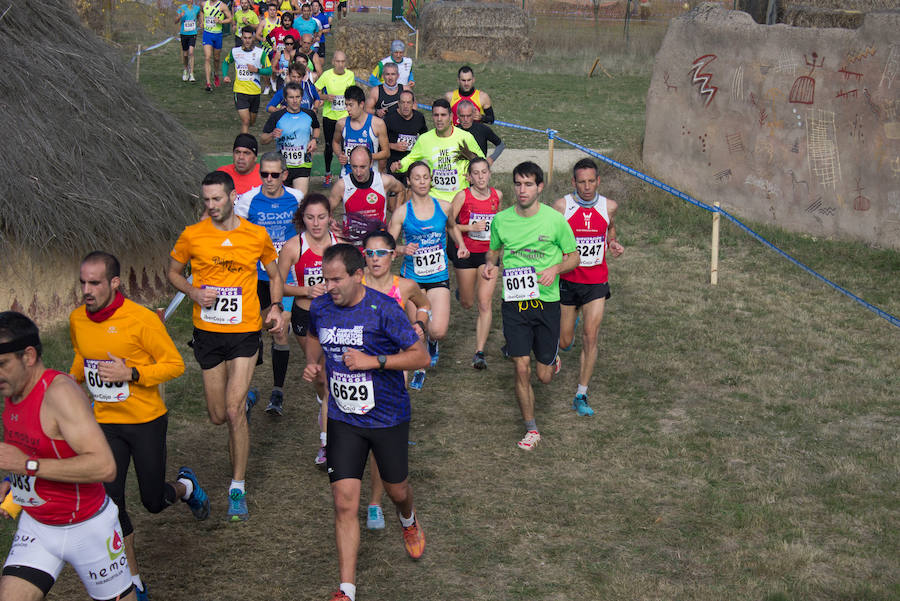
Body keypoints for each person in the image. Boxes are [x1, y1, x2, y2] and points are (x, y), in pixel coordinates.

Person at [69, 252, 210, 601]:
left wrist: (131, 373)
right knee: (111, 505)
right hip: (104, 423)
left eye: (95, 283)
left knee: (151, 501)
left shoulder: (141, 319)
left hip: (146, 421)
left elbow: (174, 365)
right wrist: (68, 385)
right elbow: (81, 357)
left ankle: (185, 487)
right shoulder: (77, 319)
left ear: (115, 283)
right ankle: (132, 580)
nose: (87, 290)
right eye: (83, 282)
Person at [302, 244, 430, 601]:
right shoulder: (322, 307)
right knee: (344, 502)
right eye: (325, 279)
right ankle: (347, 590)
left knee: (397, 490)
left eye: (337, 279)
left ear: (358, 275)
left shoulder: (383, 310)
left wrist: (372, 361)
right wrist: (314, 363)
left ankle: (408, 519)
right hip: (343, 417)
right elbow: (314, 337)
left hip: (387, 417)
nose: (329, 286)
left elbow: (421, 357)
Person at [167, 171, 287, 521]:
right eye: (206, 200)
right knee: (219, 416)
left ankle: (237, 487)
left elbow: (275, 273)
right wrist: (192, 292)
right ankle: (245, 402)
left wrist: (276, 307)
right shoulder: (192, 236)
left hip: (245, 331)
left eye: (217, 199)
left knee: (232, 413)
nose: (211, 206)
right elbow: (173, 272)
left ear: (232, 196)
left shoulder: (255, 234)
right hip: (207, 333)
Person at [0, 311, 137, 601]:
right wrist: (13, 484)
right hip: (37, 527)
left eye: (2, 364)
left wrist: (24, 465)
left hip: (89, 529)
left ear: (28, 356)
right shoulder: (13, 393)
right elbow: (38, 452)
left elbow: (104, 466)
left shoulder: (60, 394)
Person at [483, 162, 578, 450]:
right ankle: (532, 429)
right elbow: (494, 251)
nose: (521, 190)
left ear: (539, 187)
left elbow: (574, 257)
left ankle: (552, 360)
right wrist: (490, 266)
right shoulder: (501, 220)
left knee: (543, 376)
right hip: (514, 304)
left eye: (528, 184)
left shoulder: (555, 220)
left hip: (546, 303)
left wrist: (556, 269)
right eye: (517, 184)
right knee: (521, 368)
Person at [360, 230, 430, 529]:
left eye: (381, 253)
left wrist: (419, 324)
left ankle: (375, 502)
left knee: (380, 432)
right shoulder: (355, 282)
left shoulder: (405, 285)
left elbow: (424, 303)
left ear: (393, 255)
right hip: (356, 364)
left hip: (392, 364)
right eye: (370, 253)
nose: (375, 259)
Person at [553, 159, 625, 417]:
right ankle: (562, 338)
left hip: (596, 282)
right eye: (581, 181)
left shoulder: (610, 206)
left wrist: (613, 242)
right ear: (573, 182)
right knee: (564, 341)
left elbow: (610, 228)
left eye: (591, 181)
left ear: (598, 181)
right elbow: (552, 237)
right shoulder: (562, 207)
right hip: (568, 281)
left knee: (591, 335)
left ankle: (581, 393)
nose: (586, 186)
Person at [234, 152, 304, 416]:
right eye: (265, 174)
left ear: (284, 175)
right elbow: (235, 232)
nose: (270, 179)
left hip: (286, 276)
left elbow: (307, 227)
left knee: (279, 330)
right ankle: (248, 392)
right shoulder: (248, 200)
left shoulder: (295, 198)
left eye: (275, 174)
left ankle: (278, 391)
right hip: (257, 278)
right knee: (255, 330)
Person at [388, 161, 467, 380]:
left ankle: (433, 343)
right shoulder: (402, 213)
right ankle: (420, 367)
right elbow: (387, 245)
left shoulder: (444, 206)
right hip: (412, 278)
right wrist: (403, 248)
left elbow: (451, 227)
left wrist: (461, 245)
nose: (422, 182)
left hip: (438, 275)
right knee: (417, 329)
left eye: (425, 177)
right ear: (409, 181)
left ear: (430, 179)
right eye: (417, 178)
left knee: (438, 330)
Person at [277, 194, 337, 462]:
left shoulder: (339, 246)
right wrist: (306, 290)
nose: (316, 223)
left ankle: (326, 443)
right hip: (305, 316)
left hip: (336, 318)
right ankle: (323, 400)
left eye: (321, 217)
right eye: (310, 217)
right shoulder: (293, 247)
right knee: (321, 377)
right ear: (303, 218)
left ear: (329, 217)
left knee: (328, 374)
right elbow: (277, 285)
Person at [450, 157, 501, 370]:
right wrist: (470, 228)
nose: (480, 177)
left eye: (484, 172)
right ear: (469, 177)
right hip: (466, 253)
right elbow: (449, 225)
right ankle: (462, 292)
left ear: (489, 173)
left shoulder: (497, 195)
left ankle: (479, 352)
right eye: (476, 173)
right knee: (468, 303)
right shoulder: (463, 196)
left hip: (488, 256)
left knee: (484, 303)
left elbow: (498, 224)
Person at [391, 98, 484, 203]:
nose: (439, 119)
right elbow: (411, 158)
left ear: (451, 117)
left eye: (443, 115)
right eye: (436, 115)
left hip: (460, 198)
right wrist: (399, 166)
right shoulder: (424, 139)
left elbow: (481, 161)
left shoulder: (465, 137)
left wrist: (473, 174)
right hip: (434, 199)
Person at [329, 146, 404, 245]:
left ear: (371, 163)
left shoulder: (384, 181)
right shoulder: (342, 185)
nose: (358, 172)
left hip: (377, 244)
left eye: (362, 167)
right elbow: (325, 210)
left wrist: (395, 217)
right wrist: (331, 222)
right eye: (354, 167)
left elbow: (401, 190)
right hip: (352, 246)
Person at [261, 82, 320, 193]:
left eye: (297, 97)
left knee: (299, 199)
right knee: (283, 200)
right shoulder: (277, 116)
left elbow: (316, 128)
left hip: (303, 163)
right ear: (286, 99)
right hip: (282, 165)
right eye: (291, 97)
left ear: (302, 98)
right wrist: (272, 135)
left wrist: (314, 140)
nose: (295, 100)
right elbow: (263, 139)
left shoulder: (309, 114)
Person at [222, 26, 273, 134]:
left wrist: (257, 70)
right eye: (245, 38)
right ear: (241, 38)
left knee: (251, 122)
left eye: (249, 38)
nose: (247, 40)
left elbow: (269, 70)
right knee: (246, 121)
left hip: (255, 92)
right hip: (240, 91)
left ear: (253, 38)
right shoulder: (235, 52)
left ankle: (246, 135)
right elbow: (226, 62)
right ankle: (244, 145)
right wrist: (225, 75)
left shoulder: (260, 53)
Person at [315, 50, 355, 186]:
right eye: (337, 61)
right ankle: (327, 173)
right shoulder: (326, 75)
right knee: (329, 146)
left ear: (345, 63)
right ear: (333, 62)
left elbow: (353, 94)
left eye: (343, 61)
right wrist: (326, 97)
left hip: (345, 117)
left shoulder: (350, 75)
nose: (340, 64)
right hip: (330, 117)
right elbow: (315, 92)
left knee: (346, 145)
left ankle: (345, 172)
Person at [332, 85, 389, 176]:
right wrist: (340, 155)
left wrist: (365, 157)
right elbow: (335, 142)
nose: (348, 109)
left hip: (370, 176)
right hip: (347, 175)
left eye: (351, 105)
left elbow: (386, 153)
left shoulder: (377, 124)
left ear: (361, 104)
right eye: (346, 105)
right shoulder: (341, 124)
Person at [384, 89, 427, 190]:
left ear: (413, 104)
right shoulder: (390, 118)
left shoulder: (419, 117)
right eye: (403, 102)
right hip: (394, 163)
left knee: (411, 194)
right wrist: (393, 146)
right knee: (395, 195)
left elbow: (425, 136)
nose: (405, 106)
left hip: (412, 163)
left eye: (408, 102)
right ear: (398, 104)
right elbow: (378, 141)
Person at [456, 99, 504, 166]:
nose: (465, 120)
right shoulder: (454, 131)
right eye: (462, 116)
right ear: (457, 115)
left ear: (473, 114)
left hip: (479, 171)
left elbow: (500, 144)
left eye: (468, 116)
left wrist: (491, 158)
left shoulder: (483, 129)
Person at [200, 0, 233, 92]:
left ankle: (216, 74)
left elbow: (230, 18)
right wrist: (202, 21)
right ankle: (208, 83)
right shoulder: (204, 4)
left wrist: (221, 21)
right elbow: (201, 11)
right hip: (207, 34)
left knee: (216, 58)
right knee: (207, 57)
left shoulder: (222, 6)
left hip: (218, 35)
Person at [266, 11, 300, 91]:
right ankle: (273, 80)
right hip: (278, 53)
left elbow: (298, 42)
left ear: (291, 21)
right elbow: (268, 37)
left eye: (289, 20)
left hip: (290, 54)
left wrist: (295, 51)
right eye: (285, 20)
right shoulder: (276, 30)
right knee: (272, 67)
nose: (287, 22)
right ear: (282, 21)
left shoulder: (295, 32)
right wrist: (272, 45)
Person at [255, 2, 280, 94]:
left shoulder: (280, 21)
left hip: (276, 48)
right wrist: (262, 39)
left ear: (276, 11)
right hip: (265, 48)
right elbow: (257, 35)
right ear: (268, 11)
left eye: (274, 10)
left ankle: (273, 80)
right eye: (270, 10)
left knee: (273, 66)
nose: (272, 12)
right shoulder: (264, 22)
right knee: (264, 67)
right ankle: (267, 86)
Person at [176, 0, 201, 82]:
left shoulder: (197, 8)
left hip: (193, 33)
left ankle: (191, 73)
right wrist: (180, 16)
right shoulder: (181, 8)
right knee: (185, 54)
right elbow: (175, 21)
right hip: (184, 33)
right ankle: (186, 70)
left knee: (191, 52)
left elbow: (198, 17)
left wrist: (200, 22)